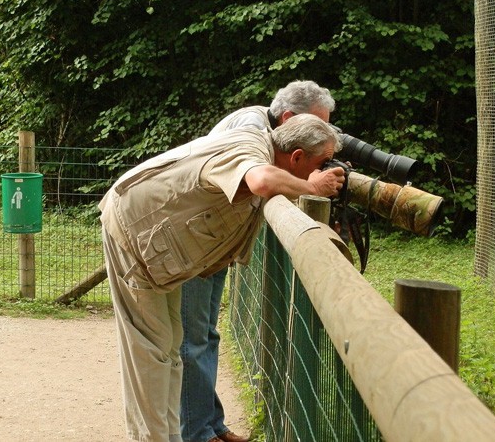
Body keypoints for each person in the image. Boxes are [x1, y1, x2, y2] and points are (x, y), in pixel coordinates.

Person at [100, 113, 345, 442]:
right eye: (323, 162)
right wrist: (311, 187)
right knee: (152, 354)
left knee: (169, 347)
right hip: (134, 233)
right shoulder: (249, 148)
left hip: (158, 250)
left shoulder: (262, 151)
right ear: (297, 156)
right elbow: (261, 182)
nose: (326, 170)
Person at [180, 80, 336, 442]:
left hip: (212, 241)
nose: (322, 134)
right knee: (193, 341)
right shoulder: (251, 130)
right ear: (288, 118)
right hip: (195, 242)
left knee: (205, 335)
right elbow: (262, 181)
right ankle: (196, 434)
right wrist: (312, 185)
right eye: (316, 126)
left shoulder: (262, 126)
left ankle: (210, 425)